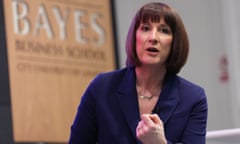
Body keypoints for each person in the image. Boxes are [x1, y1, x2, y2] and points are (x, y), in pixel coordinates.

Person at [69, 2, 208, 144]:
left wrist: (159, 143)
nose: (153, 37)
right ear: (134, 36)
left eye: (164, 30)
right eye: (146, 28)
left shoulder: (193, 98)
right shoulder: (102, 87)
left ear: (175, 43)